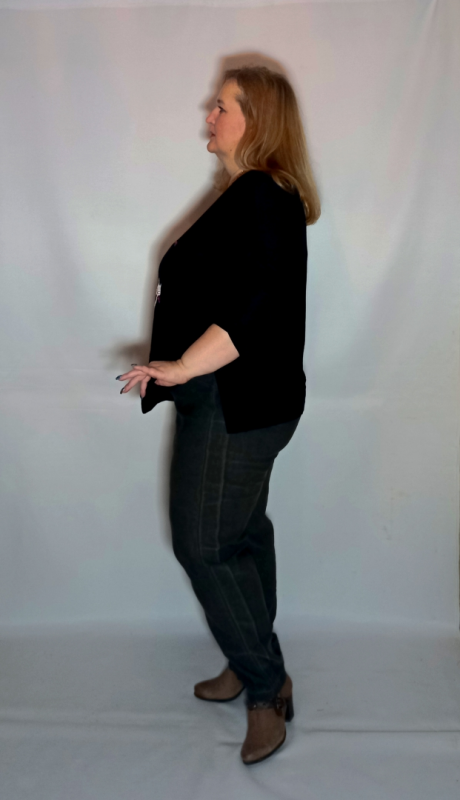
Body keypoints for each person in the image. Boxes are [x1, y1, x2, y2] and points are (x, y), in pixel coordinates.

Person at [117, 65, 321, 765]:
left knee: (204, 545)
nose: (210, 112)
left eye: (224, 106)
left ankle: (267, 689)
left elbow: (257, 305)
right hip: (238, 400)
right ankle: (250, 654)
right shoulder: (249, 194)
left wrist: (180, 366)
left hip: (238, 403)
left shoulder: (263, 193)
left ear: (257, 121)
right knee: (241, 533)